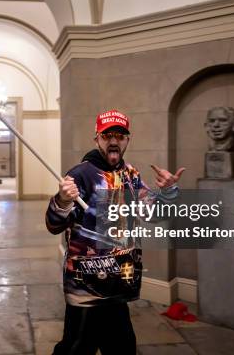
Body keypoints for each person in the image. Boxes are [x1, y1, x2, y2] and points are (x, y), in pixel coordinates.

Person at [46, 110, 185, 354]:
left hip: (118, 283)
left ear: (127, 141)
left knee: (122, 347)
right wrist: (62, 200)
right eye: (107, 135)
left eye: (120, 136)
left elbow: (150, 214)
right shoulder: (80, 175)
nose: (113, 141)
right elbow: (54, 225)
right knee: (76, 347)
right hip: (86, 288)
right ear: (96, 139)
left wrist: (169, 192)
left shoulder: (130, 174)